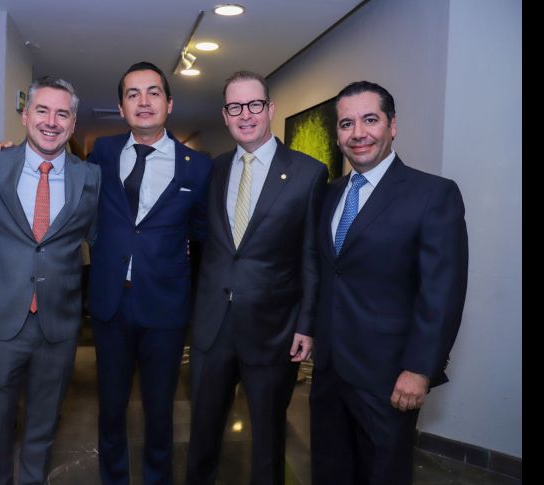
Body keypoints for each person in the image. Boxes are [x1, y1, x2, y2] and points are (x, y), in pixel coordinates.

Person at [310, 80, 469, 485]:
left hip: (388, 378)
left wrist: (419, 370)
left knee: (383, 474)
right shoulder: (329, 194)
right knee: (330, 470)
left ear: (392, 125)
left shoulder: (433, 194)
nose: (358, 133)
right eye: (347, 123)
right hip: (328, 373)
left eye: (370, 120)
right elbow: (328, 272)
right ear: (338, 134)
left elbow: (442, 293)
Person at [185, 71, 327, 485]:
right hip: (213, 325)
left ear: (270, 109)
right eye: (235, 107)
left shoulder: (308, 173)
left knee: (268, 440)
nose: (244, 115)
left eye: (253, 105)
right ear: (225, 115)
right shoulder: (213, 170)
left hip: (273, 329)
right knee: (202, 434)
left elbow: (311, 258)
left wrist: (306, 324)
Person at [0, 77, 100, 485]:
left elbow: (102, 240)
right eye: (42, 110)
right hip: (0, 319)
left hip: (58, 324)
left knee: (43, 425)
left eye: (62, 114)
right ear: (25, 115)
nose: (51, 122)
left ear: (73, 123)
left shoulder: (90, 177)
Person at [87, 61, 213, 485]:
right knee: (110, 408)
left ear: (169, 103)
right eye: (133, 94)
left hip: (165, 309)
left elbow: (204, 237)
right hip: (110, 304)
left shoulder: (197, 166)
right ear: (122, 107)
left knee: (160, 411)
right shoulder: (102, 153)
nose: (143, 102)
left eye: (153, 92)